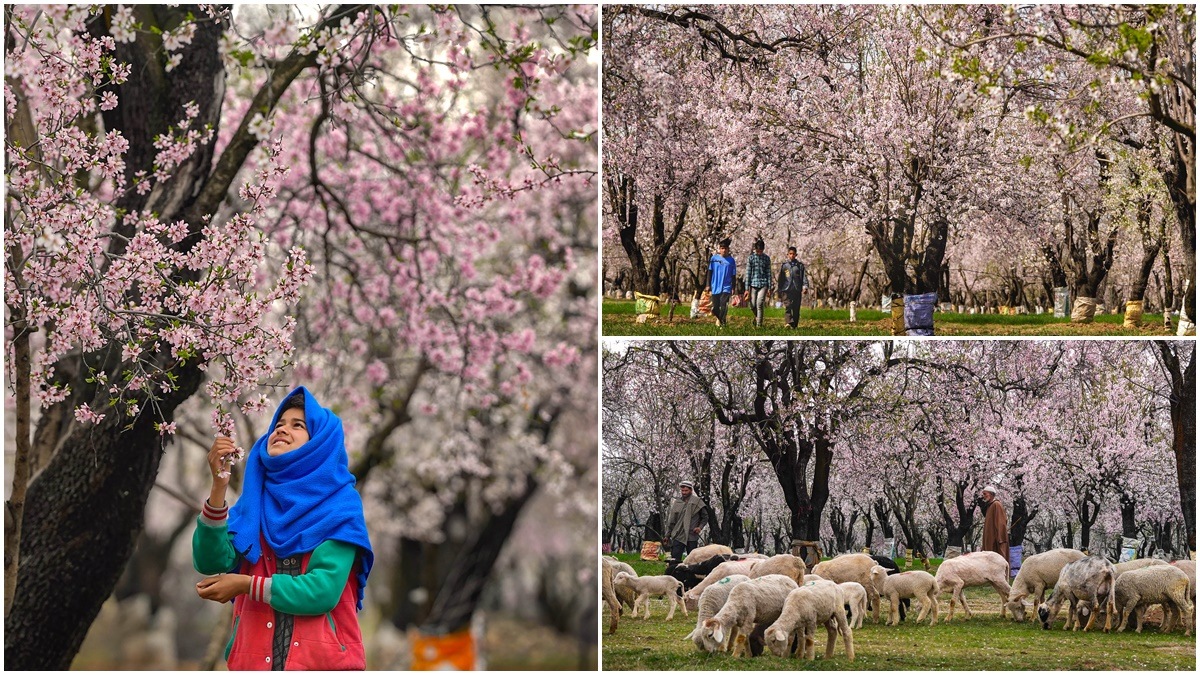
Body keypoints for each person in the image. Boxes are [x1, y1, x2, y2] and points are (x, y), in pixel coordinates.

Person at [193, 387, 374, 670]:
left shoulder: (340, 507)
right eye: (278, 424)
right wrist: (219, 487)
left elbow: (322, 590)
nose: (282, 430)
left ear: (320, 442)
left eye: (297, 425)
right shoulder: (255, 503)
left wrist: (245, 584)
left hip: (322, 664)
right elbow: (210, 561)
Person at [662, 480, 709, 561]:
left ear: (691, 490)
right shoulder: (677, 502)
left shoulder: (697, 502)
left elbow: (705, 517)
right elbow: (672, 521)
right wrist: (667, 535)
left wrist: (699, 527)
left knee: (692, 560)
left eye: (686, 490)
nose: (684, 492)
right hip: (678, 534)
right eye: (682, 490)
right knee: (675, 559)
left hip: (692, 535)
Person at [777, 246, 810, 329]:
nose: (792, 255)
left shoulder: (799, 266)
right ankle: (789, 322)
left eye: (793, 254)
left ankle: (794, 325)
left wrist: (805, 287)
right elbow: (781, 278)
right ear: (788, 254)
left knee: (796, 308)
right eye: (790, 254)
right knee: (788, 306)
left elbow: (803, 277)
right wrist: (779, 289)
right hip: (786, 289)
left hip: (796, 289)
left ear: (796, 255)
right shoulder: (784, 266)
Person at [708, 238, 736, 328]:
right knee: (715, 308)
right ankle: (721, 320)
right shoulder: (714, 259)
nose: (724, 250)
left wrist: (733, 287)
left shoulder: (731, 261)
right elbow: (709, 272)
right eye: (722, 248)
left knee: (723, 304)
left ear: (728, 249)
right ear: (719, 249)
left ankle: (721, 321)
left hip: (726, 286)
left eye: (725, 248)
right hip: (715, 286)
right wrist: (707, 285)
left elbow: (733, 275)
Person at [979, 485, 1010, 564]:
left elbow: (1001, 522)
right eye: (983, 494)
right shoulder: (990, 506)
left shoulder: (996, 505)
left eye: (985, 494)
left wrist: (1000, 537)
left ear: (991, 494)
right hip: (989, 537)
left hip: (995, 538)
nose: (984, 496)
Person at [746, 238, 772, 327]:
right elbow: (748, 273)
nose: (759, 252)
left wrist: (769, 287)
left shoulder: (766, 259)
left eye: (761, 251)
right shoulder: (751, 258)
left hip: (763, 284)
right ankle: (758, 317)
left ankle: (759, 325)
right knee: (752, 305)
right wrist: (746, 288)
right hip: (753, 284)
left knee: (759, 303)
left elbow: (769, 273)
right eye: (758, 251)